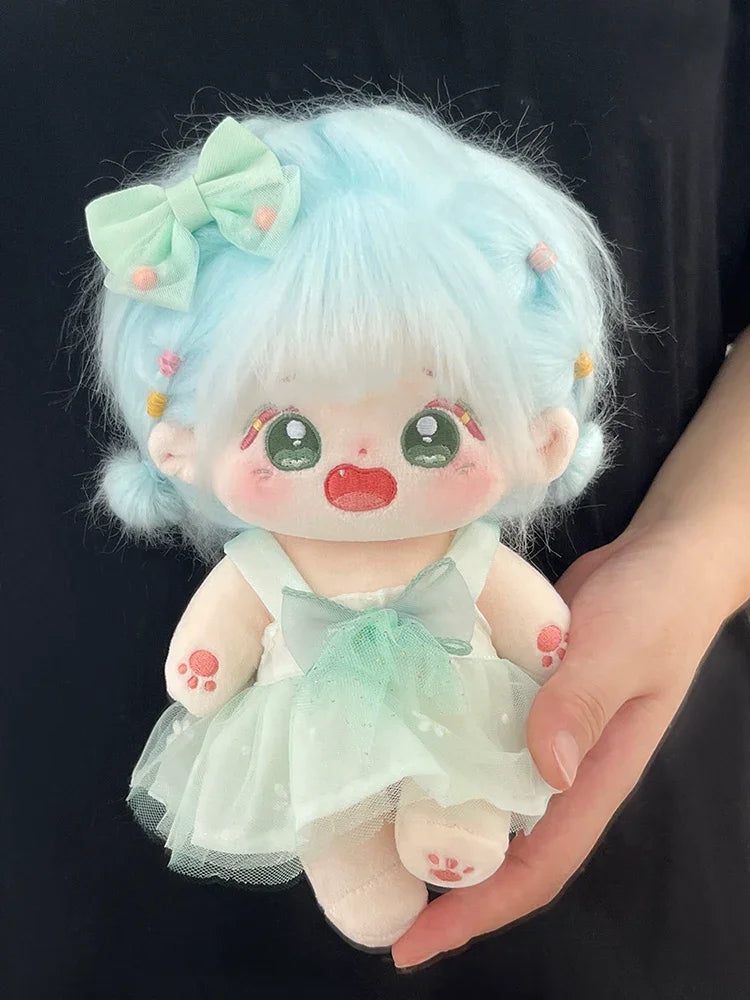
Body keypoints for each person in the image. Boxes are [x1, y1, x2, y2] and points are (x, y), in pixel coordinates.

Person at [3, 1, 749, 996]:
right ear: (185, 444)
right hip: (75, 855)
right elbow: (224, 630)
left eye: (433, 433)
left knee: (473, 784)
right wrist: (210, 658)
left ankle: (455, 820)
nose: (362, 473)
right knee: (331, 814)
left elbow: (528, 624)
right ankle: (360, 868)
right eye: (293, 440)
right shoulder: (267, 562)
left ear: (538, 434)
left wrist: (691, 560)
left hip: (633, 827)